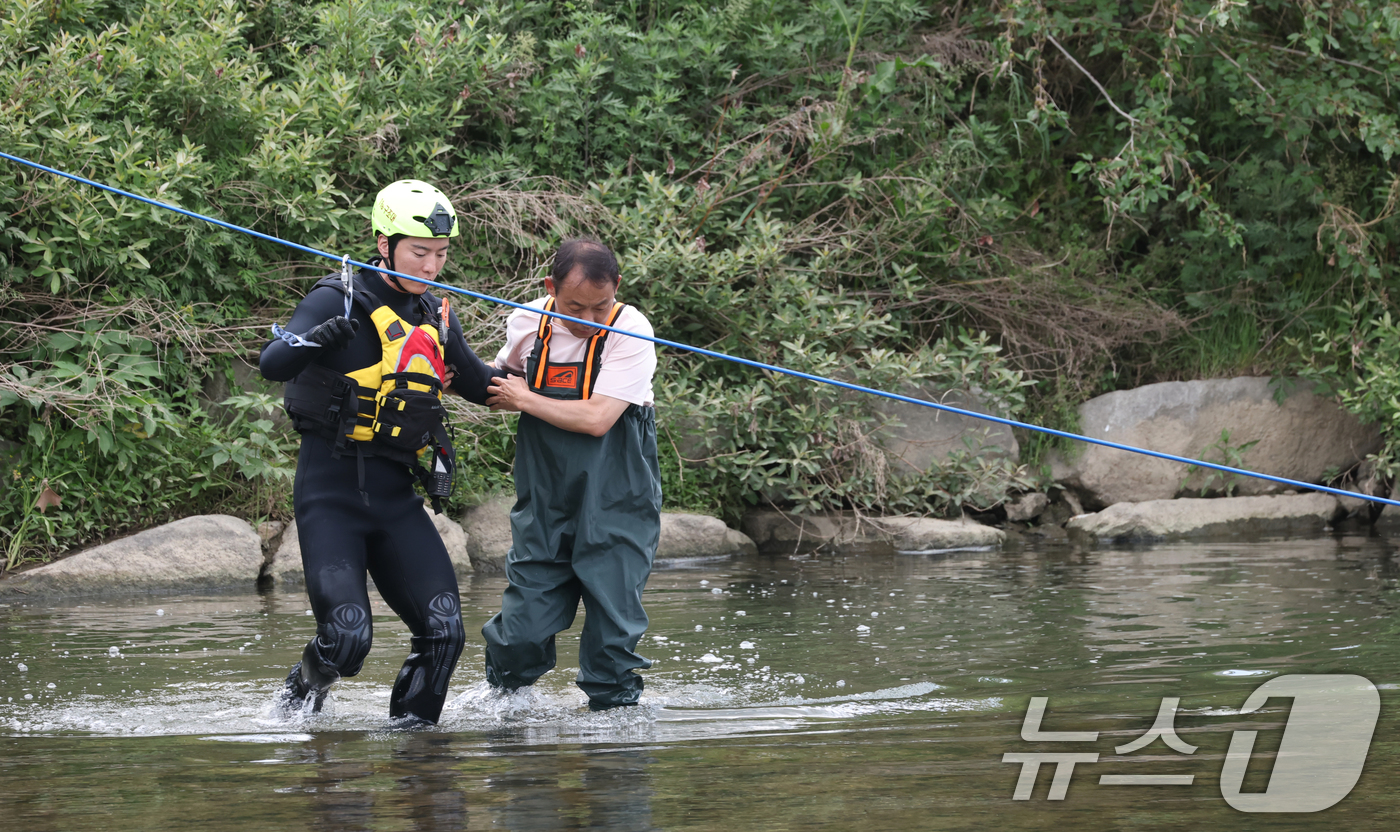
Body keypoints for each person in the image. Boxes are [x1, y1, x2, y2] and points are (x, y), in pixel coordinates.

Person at [259, 180, 499, 725]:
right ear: (382, 242)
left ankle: (417, 762)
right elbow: (272, 362)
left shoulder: (436, 315)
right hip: (331, 495)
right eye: (420, 252)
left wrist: (558, 388)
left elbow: (484, 386)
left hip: (396, 499)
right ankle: (294, 705)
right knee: (347, 640)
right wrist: (315, 337)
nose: (432, 265)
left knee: (445, 635)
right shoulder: (335, 298)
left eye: (440, 254)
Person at [480, 238, 662, 711]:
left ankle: (615, 734)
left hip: (618, 498)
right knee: (519, 631)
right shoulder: (527, 321)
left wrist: (525, 399)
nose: (588, 320)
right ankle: (504, 712)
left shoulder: (631, 329)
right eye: (574, 307)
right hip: (544, 500)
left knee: (611, 632)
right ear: (549, 288)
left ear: (617, 288)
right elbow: (501, 382)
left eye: (600, 307)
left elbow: (598, 418)